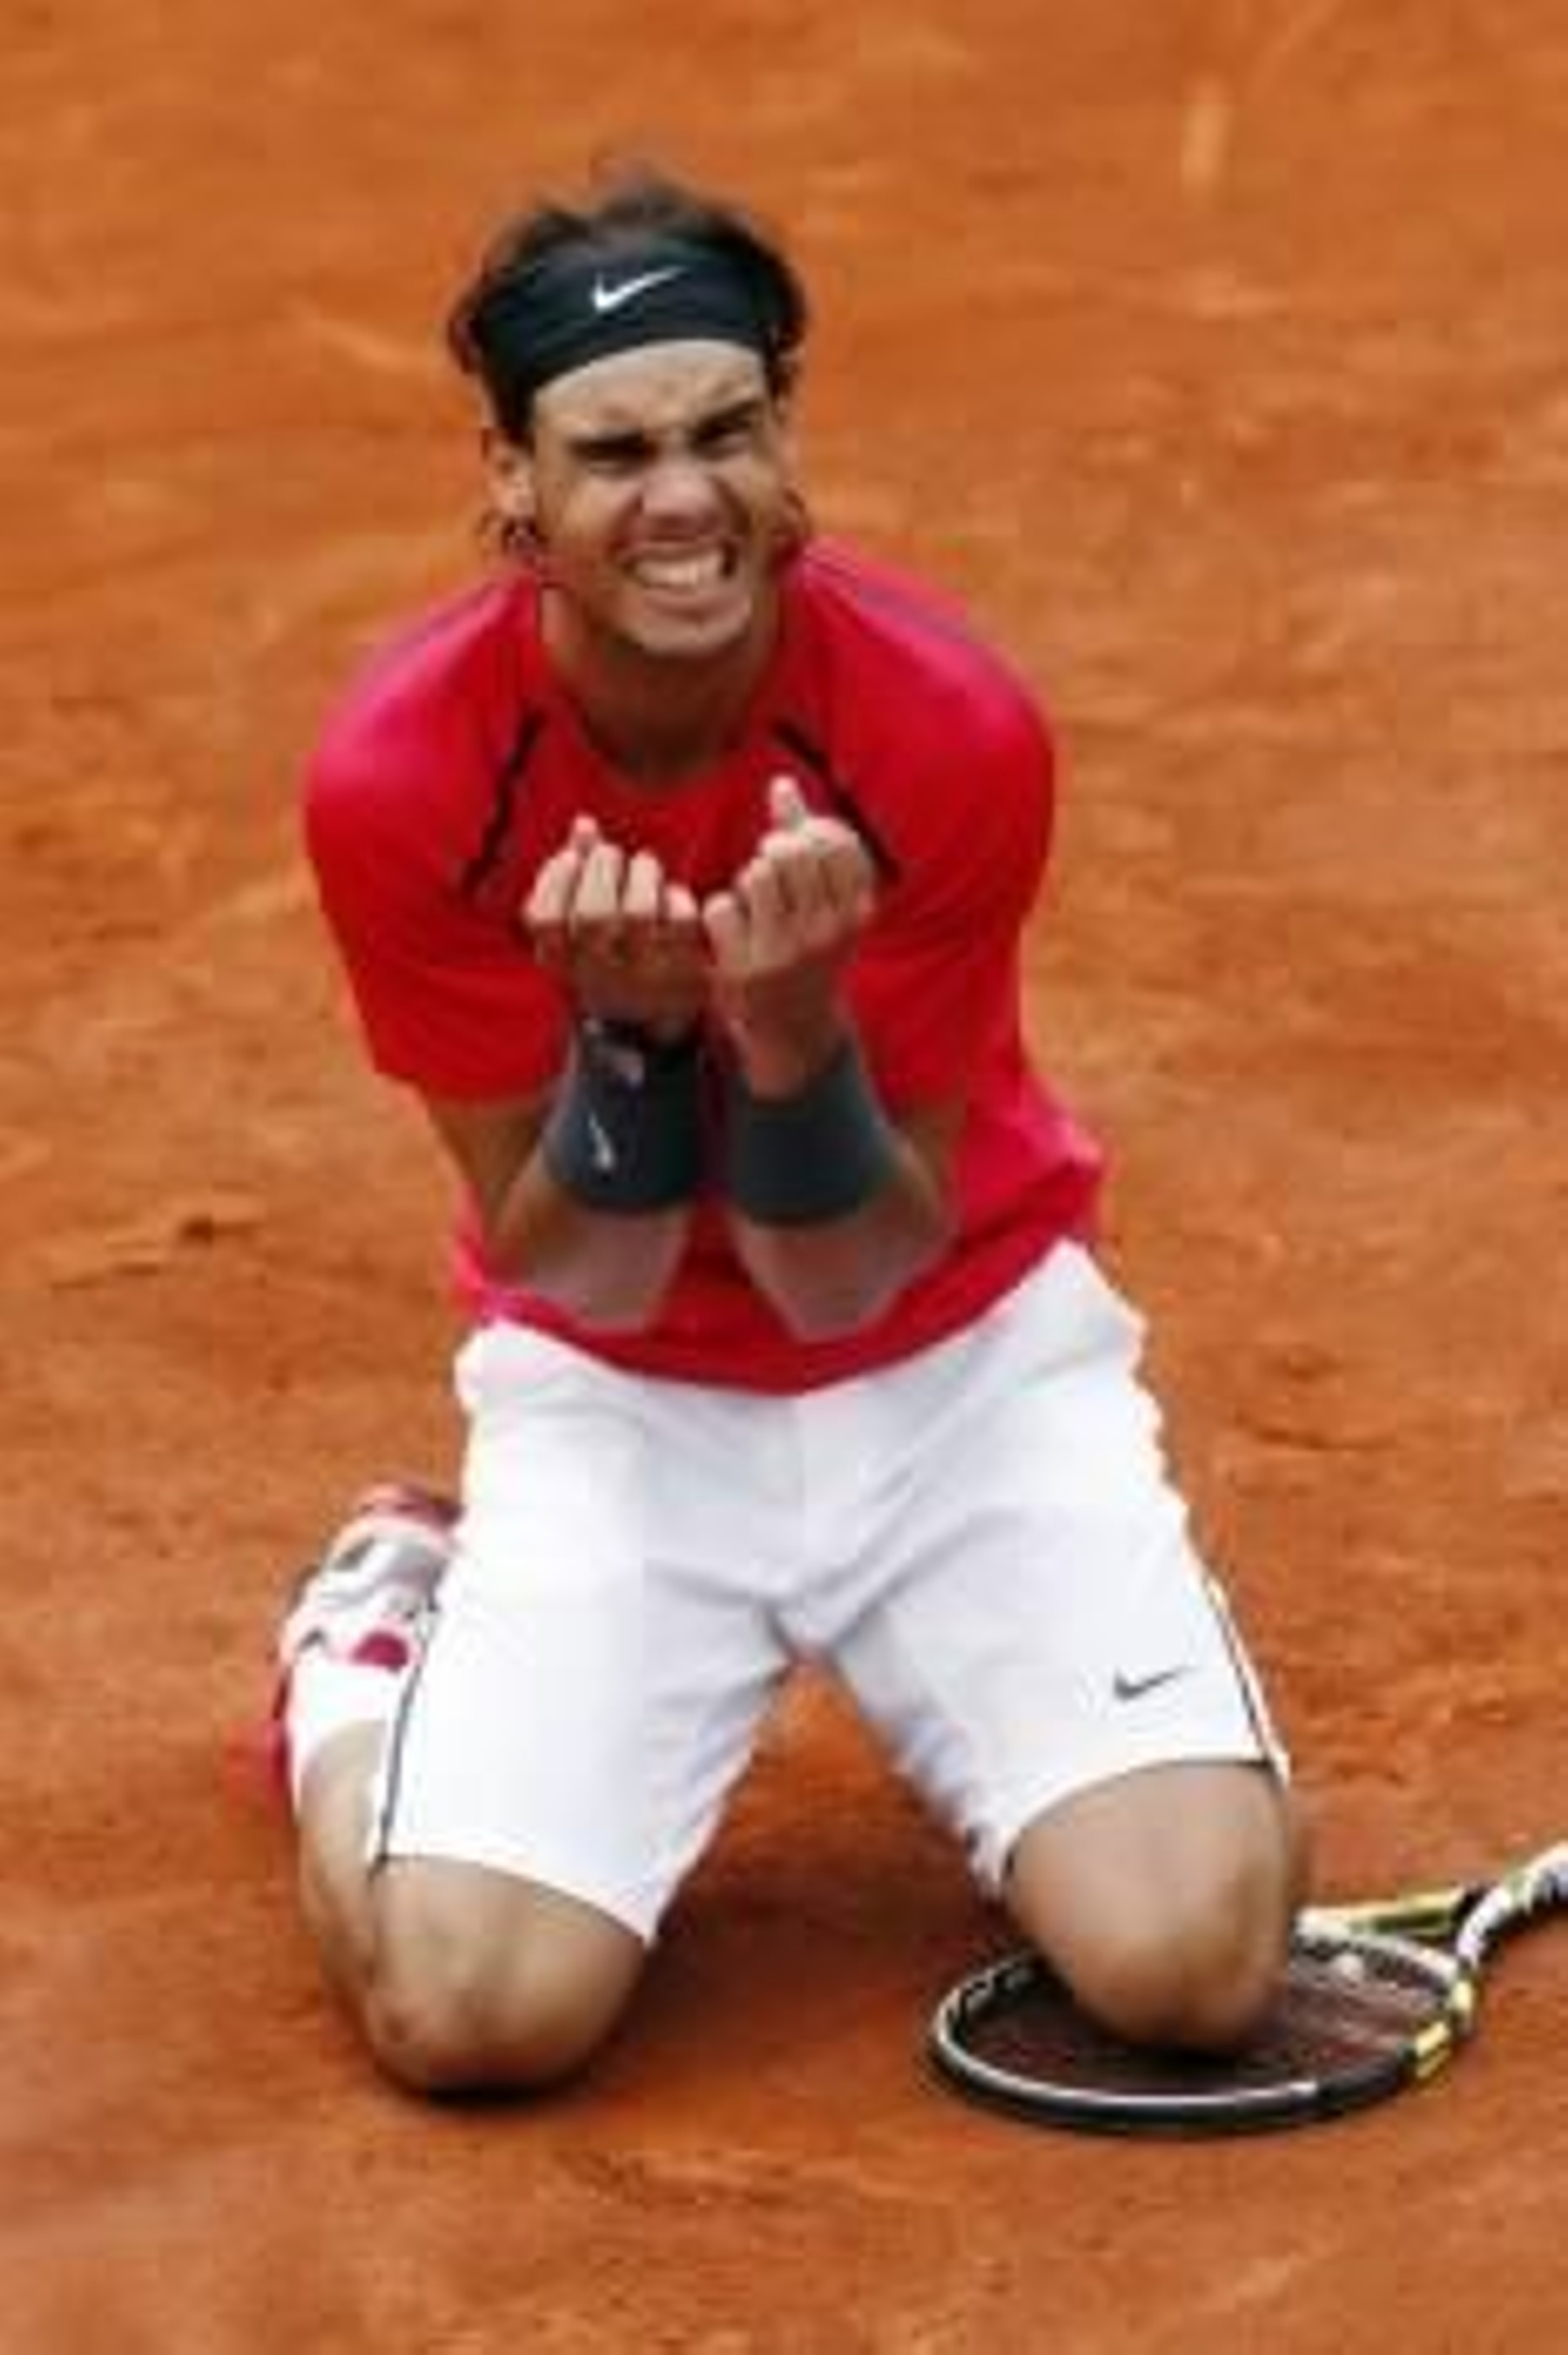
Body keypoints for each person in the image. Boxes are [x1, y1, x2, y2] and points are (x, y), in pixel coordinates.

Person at [274, 158, 1301, 2096]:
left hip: (955, 1373)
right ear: (510, 483)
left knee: (1194, 1965)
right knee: (467, 2013)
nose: (682, 498)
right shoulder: (405, 777)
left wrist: (787, 1034)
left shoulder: (940, 729)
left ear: (787, 442)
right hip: (628, 1398)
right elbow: (563, 1260)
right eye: (613, 448)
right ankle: (359, 1654)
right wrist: (637, 1055)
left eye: (727, 429)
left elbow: (856, 1277)